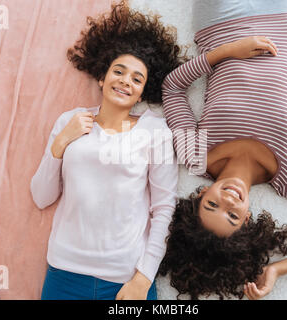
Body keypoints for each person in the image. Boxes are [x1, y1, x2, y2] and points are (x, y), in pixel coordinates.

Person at [158, 0, 287, 300]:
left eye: (212, 205)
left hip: (217, 22)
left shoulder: (194, 156)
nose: (229, 201)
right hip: (277, 13)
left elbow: (172, 87)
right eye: (233, 216)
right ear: (247, 220)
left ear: (199, 195)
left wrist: (227, 52)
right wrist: (276, 270)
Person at [30, 1, 185, 300]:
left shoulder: (156, 131)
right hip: (64, 273)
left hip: (126, 280)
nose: (126, 80)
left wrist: (143, 278)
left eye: (137, 79)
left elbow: (164, 209)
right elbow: (41, 197)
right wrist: (60, 143)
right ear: (102, 77)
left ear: (142, 92)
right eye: (119, 71)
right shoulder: (69, 121)